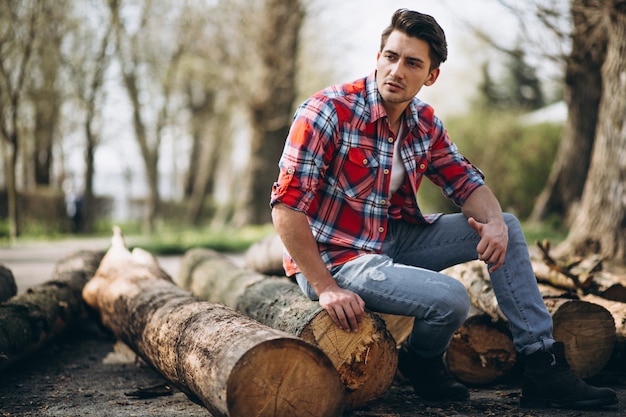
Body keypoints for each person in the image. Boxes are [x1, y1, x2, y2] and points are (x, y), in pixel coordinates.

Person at [270, 8, 618, 409]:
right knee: (452, 298)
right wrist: (327, 288)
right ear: (379, 57)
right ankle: (421, 361)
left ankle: (542, 364)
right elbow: (286, 208)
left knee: (505, 224)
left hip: (391, 238)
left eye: (412, 63)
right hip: (336, 258)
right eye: (391, 56)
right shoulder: (326, 112)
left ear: (430, 75)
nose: (397, 71)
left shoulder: (424, 122)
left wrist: (495, 227)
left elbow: (467, 183)